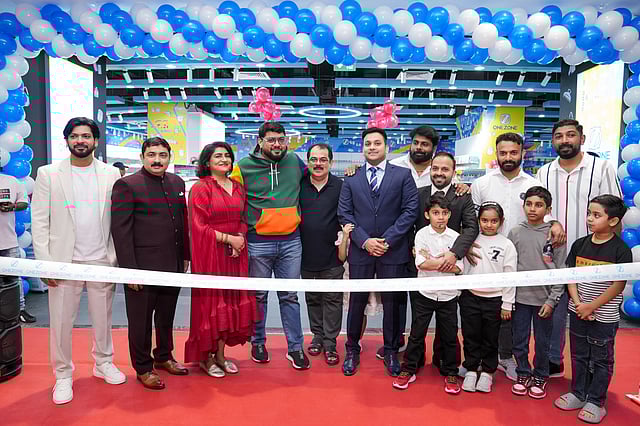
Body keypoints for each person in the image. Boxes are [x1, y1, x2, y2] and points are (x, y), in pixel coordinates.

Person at [31, 117, 125, 405]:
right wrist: (45, 263)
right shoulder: (48, 174)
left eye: (86, 136)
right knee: (61, 322)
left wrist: (116, 258)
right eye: (74, 136)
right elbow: (40, 220)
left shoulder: (111, 174)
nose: (80, 141)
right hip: (63, 261)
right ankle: (62, 374)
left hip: (101, 259)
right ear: (67, 140)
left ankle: (103, 362)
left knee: (103, 319)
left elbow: (118, 218)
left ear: (95, 141)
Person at [471, 132, 565, 381]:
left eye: (513, 152)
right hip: (488, 258)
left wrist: (555, 222)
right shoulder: (482, 184)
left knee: (512, 312)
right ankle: (485, 358)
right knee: (489, 312)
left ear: (522, 152)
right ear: (496, 153)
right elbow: (472, 219)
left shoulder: (533, 183)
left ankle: (510, 358)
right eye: (503, 153)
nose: (508, 157)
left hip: (523, 259)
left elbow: (545, 213)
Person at [536, 119, 622, 379]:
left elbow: (615, 211)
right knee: (553, 310)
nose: (565, 140)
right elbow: (539, 210)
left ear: (581, 139)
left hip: (591, 257)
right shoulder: (544, 172)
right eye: (559, 136)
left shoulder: (601, 167)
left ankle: (594, 372)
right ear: (553, 141)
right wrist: (552, 222)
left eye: (570, 135)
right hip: (554, 255)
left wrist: (611, 253)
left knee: (590, 312)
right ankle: (553, 360)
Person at [111, 137, 190, 390]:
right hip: (141, 268)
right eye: (152, 155)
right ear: (142, 157)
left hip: (173, 264)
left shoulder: (177, 182)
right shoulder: (127, 185)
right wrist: (130, 271)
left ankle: (164, 356)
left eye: (162, 155)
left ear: (169, 157)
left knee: (166, 317)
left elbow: (182, 221)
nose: (157, 160)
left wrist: (185, 256)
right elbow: (121, 232)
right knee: (141, 322)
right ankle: (143, 368)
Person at [338, 127, 418, 377]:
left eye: (377, 143)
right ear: (362, 148)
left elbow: (410, 211)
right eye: (368, 144)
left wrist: (387, 240)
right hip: (361, 251)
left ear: (387, 147)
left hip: (392, 250)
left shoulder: (403, 175)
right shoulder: (351, 178)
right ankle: (352, 349)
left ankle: (392, 351)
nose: (372, 147)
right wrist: (364, 241)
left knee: (393, 304)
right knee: (356, 303)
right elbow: (344, 213)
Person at [230, 121, 309, 370]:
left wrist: (351, 171)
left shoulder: (295, 161)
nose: (277, 144)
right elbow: (230, 198)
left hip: (291, 241)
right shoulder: (243, 166)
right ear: (260, 141)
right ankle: (258, 343)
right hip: (258, 242)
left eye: (281, 139)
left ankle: (295, 348)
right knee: (259, 297)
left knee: (290, 297)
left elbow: (318, 175)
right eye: (271, 140)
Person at [554, 195, 632, 424]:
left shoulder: (620, 250)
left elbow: (618, 285)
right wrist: (579, 303)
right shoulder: (580, 244)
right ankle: (578, 393)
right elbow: (570, 276)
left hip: (603, 316)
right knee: (578, 355)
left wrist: (592, 306)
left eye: (596, 215)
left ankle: (596, 401)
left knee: (601, 359)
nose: (589, 218)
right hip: (578, 311)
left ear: (613, 221)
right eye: (589, 213)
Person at [184, 142, 258, 378]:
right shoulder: (200, 188)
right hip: (211, 254)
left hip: (234, 254)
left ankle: (221, 355)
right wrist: (229, 239)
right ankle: (205, 358)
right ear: (207, 162)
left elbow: (243, 219)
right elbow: (198, 227)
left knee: (229, 302)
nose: (224, 159)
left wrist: (239, 240)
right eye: (218, 156)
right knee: (212, 303)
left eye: (227, 155)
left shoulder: (238, 187)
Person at [392, 193, 463, 393]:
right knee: (417, 334)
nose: (440, 217)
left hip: (449, 295)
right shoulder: (422, 235)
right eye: (436, 213)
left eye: (444, 213)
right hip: (425, 293)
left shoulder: (456, 237)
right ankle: (409, 369)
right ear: (427, 214)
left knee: (450, 336)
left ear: (449, 215)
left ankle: (450, 372)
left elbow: (459, 268)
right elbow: (422, 264)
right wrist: (445, 261)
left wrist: (434, 261)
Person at [415, 152, 479, 371]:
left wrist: (455, 253)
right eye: (436, 168)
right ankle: (415, 362)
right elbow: (409, 222)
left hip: (451, 269)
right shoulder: (419, 194)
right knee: (419, 323)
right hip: (423, 269)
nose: (439, 173)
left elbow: (471, 227)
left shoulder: (463, 195)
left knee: (447, 325)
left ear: (453, 172)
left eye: (445, 169)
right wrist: (414, 249)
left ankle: (444, 363)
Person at [508, 186, 566, 400]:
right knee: (519, 340)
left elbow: (561, 270)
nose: (533, 209)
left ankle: (541, 375)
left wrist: (552, 300)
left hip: (545, 300)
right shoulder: (515, 232)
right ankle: (523, 372)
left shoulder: (555, 234)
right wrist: (508, 298)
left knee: (543, 342)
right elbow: (509, 266)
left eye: (539, 205)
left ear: (548, 209)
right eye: (529, 204)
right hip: (520, 299)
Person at [460, 202, 517, 393]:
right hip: (470, 297)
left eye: (494, 221)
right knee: (470, 335)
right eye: (484, 220)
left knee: (491, 338)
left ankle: (487, 372)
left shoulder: (507, 245)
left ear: (501, 222)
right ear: (478, 220)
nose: (489, 225)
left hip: (495, 299)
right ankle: (471, 369)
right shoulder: (469, 240)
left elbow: (510, 276)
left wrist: (507, 303)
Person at [299, 143, 344, 366]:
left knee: (333, 300)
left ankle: (330, 342)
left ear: (331, 163)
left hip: (332, 256)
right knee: (313, 298)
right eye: (314, 159)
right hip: (305, 255)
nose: (318, 163)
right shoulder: (299, 185)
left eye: (323, 159)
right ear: (308, 162)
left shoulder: (341, 186)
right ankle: (317, 336)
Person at [0, 171, 34, 322]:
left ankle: (20, 310)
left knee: (15, 278)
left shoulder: (11, 181)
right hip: (9, 240)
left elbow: (24, 202)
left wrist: (12, 206)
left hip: (8, 241)